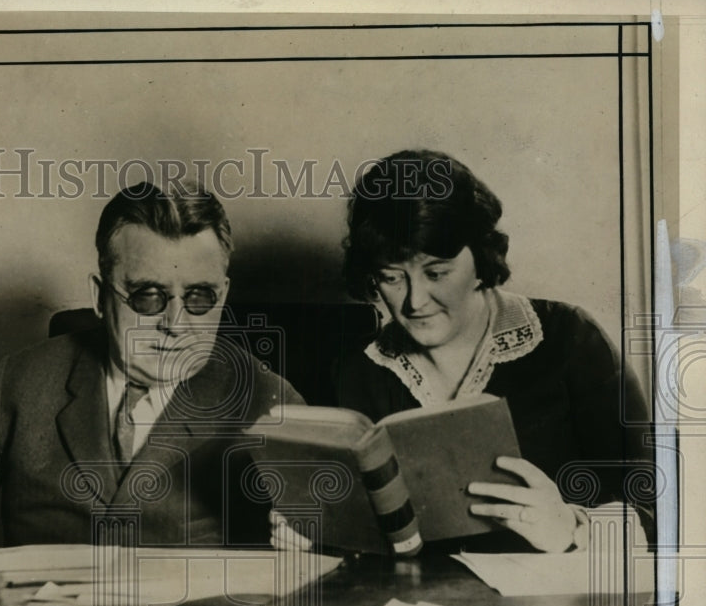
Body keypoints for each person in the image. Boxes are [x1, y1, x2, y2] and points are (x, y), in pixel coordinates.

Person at [0, 181, 304, 581]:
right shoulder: (22, 383)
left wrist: (310, 534)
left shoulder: (267, 400)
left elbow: (338, 529)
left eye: (200, 296)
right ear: (100, 297)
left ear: (224, 294)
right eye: (148, 297)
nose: (176, 323)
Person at [275, 150, 654, 554]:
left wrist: (573, 528)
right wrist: (313, 532)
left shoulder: (569, 340)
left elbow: (661, 508)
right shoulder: (354, 371)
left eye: (437, 273)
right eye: (391, 277)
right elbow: (350, 527)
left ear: (481, 258)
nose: (415, 301)